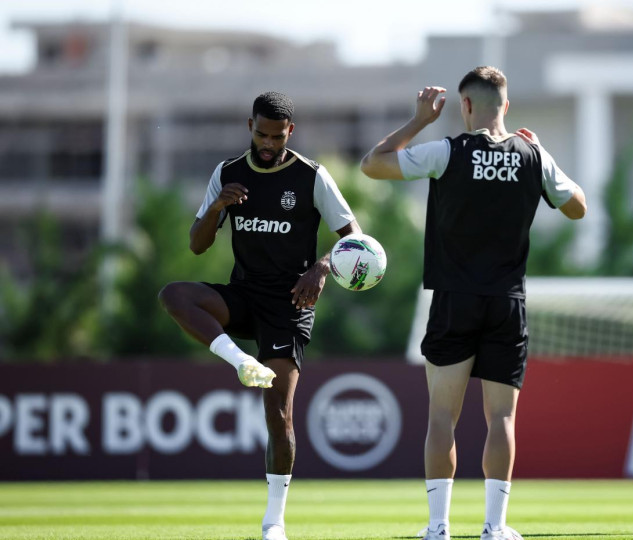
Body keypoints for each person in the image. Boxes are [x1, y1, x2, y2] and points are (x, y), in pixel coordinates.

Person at [360, 66, 587, 540]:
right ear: (506, 105)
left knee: (442, 416)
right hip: (508, 302)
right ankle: (494, 528)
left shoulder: (447, 152)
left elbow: (373, 163)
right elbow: (577, 206)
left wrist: (420, 120)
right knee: (501, 418)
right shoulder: (532, 156)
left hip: (454, 299)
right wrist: (542, 152)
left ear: (464, 105)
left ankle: (439, 528)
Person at [158, 91, 360, 540]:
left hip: (290, 303)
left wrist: (322, 266)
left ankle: (274, 522)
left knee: (279, 415)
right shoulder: (227, 173)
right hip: (244, 296)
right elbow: (196, 245)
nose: (268, 143)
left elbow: (355, 238)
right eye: (261, 133)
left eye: (277, 135)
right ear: (249, 126)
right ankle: (241, 362)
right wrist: (216, 208)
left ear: (291, 131)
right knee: (174, 295)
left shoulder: (312, 176)